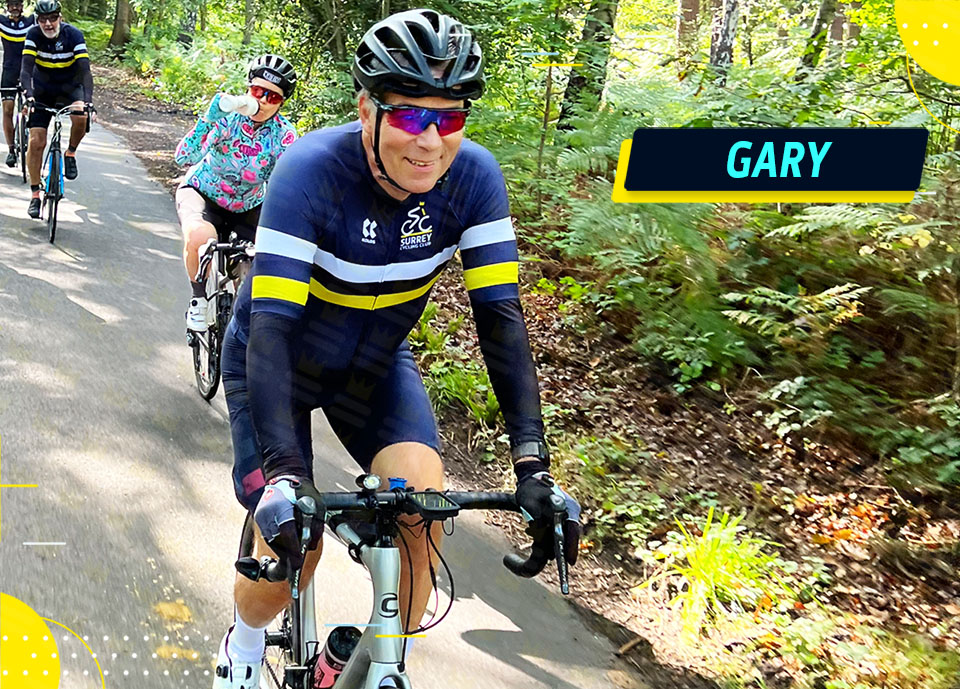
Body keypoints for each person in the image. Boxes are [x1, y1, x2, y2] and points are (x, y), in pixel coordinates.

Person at [211, 10, 581, 688]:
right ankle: (241, 642)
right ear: (366, 109)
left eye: (451, 117)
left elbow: (500, 322)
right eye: (411, 116)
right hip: (275, 361)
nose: (431, 141)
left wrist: (533, 465)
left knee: (425, 504)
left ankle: (379, 662)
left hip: (372, 367)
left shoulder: (473, 180)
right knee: (294, 546)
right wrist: (288, 475)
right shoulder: (310, 171)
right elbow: (272, 330)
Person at [174, 54, 298, 333]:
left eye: (273, 97)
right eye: (258, 91)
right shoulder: (226, 119)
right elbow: (183, 157)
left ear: (282, 103)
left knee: (255, 272)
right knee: (200, 236)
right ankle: (198, 299)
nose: (263, 101)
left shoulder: (284, 135)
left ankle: (237, 336)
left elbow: (289, 184)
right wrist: (208, 119)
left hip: (248, 205)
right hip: (204, 191)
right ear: (247, 89)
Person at [19, 0, 91, 218]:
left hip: (70, 87)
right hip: (42, 90)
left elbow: (86, 71)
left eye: (52, 18)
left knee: (81, 116)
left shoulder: (74, 35)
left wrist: (88, 100)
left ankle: (70, 152)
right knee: (36, 142)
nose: (48, 24)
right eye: (43, 20)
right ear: (37, 21)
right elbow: (25, 70)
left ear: (60, 18)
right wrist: (28, 97)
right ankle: (35, 195)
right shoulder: (33, 35)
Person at [0, 0, 34, 167]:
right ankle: (12, 150)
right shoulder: (2, 22)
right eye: (11, 4)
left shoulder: (31, 21)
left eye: (18, 4)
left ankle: (28, 129)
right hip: (9, 69)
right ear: (7, 6)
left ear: (22, 6)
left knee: (33, 104)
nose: (15, 7)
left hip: (29, 70)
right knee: (7, 109)